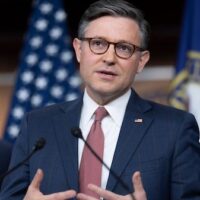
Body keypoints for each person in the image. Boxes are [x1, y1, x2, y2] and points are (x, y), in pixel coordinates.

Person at [1, 0, 200, 199]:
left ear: (141, 61)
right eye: (98, 44)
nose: (109, 58)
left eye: (124, 48)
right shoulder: (37, 124)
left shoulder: (175, 129)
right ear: (79, 50)